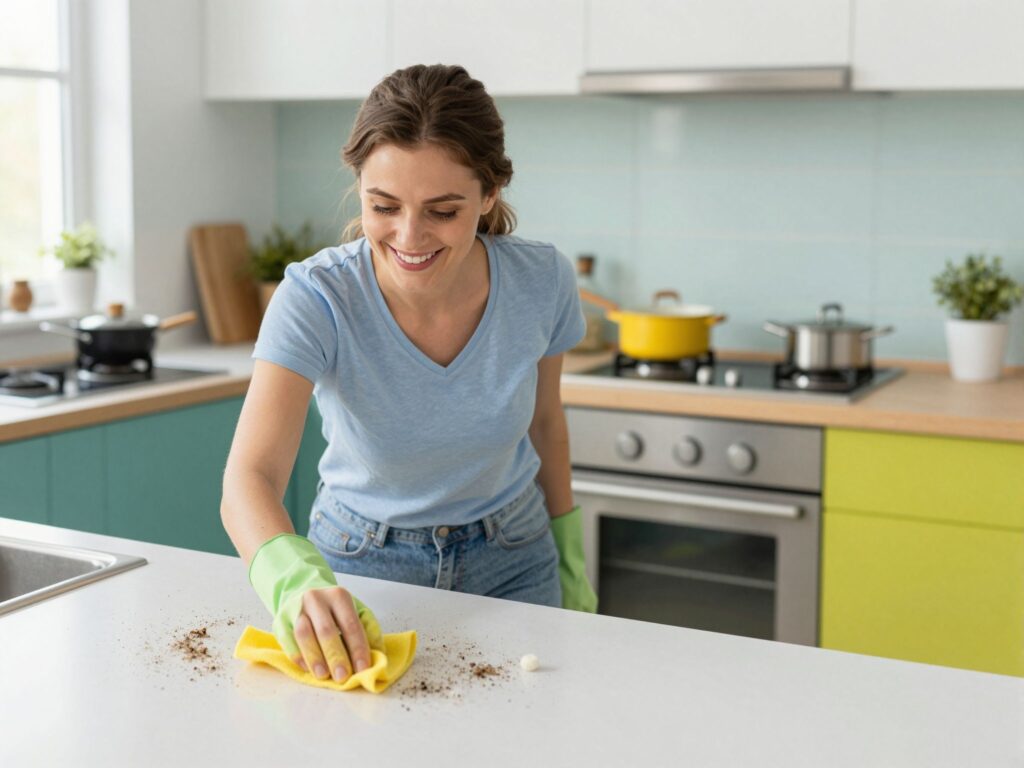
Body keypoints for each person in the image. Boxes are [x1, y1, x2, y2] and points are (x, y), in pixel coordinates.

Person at [220, 63, 597, 687]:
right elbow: (249, 477)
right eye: (383, 206)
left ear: (489, 194)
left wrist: (571, 556)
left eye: (443, 211)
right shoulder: (317, 297)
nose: (409, 236)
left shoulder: (543, 281)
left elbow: (546, 423)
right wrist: (294, 581)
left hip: (516, 558)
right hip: (360, 567)